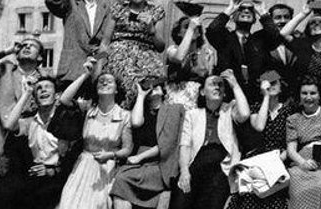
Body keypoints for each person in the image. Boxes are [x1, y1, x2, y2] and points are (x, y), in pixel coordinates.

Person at [0, 76, 76, 209]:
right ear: (35, 98)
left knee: (37, 196)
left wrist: (52, 171)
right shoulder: (30, 122)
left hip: (59, 175)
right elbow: (9, 125)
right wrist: (27, 93)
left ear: (56, 96)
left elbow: (72, 156)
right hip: (35, 176)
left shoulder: (65, 120)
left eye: (47, 87)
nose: (43, 90)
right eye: (39, 88)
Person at [58, 58, 134, 209]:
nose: (104, 83)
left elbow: (127, 149)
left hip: (108, 168)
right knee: (69, 202)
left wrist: (110, 155)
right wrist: (85, 74)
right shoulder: (88, 109)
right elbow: (64, 99)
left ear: (117, 89)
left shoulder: (125, 115)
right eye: (101, 81)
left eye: (109, 81)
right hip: (83, 166)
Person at [177, 70, 251, 208]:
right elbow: (185, 145)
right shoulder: (192, 114)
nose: (217, 87)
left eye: (220, 85)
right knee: (181, 198)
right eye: (212, 84)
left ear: (224, 93)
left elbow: (245, 114)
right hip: (197, 163)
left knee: (213, 197)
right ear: (202, 92)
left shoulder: (229, 109)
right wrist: (184, 170)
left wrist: (234, 84)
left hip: (221, 164)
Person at [101, 0, 166, 109]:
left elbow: (161, 47)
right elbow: (105, 43)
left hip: (147, 56)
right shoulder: (118, 9)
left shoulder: (156, 11)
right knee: (132, 87)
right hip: (119, 55)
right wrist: (97, 61)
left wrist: (151, 29)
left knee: (156, 88)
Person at [231, 70, 294, 209]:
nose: (271, 86)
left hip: (280, 158)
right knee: (250, 196)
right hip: (259, 158)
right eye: (267, 83)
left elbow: (291, 139)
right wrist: (266, 97)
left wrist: (279, 159)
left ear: (281, 86)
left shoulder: (289, 110)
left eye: (274, 82)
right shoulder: (255, 109)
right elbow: (259, 126)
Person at [0, 35, 45, 158]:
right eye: (24, 45)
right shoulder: (4, 71)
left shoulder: (45, 79)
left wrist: (24, 125)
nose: (27, 47)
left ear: (39, 56)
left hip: (35, 138)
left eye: (32, 46)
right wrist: (8, 50)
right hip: (6, 139)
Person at [45, 0, 111, 85]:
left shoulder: (107, 6)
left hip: (100, 71)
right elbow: (51, 0)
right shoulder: (70, 3)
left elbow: (109, 42)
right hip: (71, 71)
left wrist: (96, 59)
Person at [206, 0, 281, 102]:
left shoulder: (260, 39)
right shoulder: (225, 38)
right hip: (228, 96)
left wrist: (262, 12)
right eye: (241, 9)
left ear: (255, 19)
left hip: (256, 97)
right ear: (233, 17)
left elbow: (276, 37)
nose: (246, 11)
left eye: (250, 10)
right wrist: (229, 10)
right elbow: (212, 31)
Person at [111, 80, 171, 209]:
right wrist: (141, 95)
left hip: (159, 161)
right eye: (150, 86)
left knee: (124, 178)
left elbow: (166, 142)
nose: (153, 87)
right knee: (120, 180)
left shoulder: (172, 110)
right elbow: (136, 122)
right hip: (138, 163)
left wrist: (139, 157)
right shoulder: (143, 112)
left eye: (157, 85)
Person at [286, 76, 321, 209]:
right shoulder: (293, 119)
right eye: (304, 93)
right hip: (304, 162)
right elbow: (291, 149)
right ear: (299, 96)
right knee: (300, 191)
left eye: (313, 93)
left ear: (319, 95)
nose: (308, 97)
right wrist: (303, 163)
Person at [165, 15, 217, 109]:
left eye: (195, 27)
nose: (192, 28)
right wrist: (191, 29)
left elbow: (210, 78)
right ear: (178, 33)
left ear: (199, 33)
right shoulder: (172, 50)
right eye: (187, 27)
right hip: (176, 101)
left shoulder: (207, 54)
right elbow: (179, 57)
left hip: (198, 103)